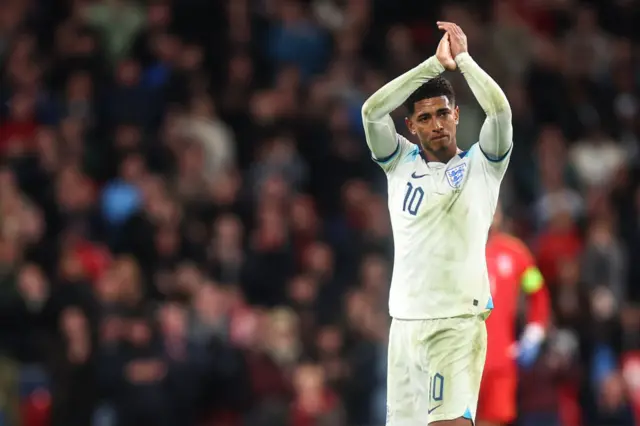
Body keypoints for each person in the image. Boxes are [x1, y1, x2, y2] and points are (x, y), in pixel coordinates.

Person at [361, 22, 512, 426]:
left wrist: (462, 61)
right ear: (410, 126)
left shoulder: (484, 165)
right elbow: (372, 112)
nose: (436, 124)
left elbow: (500, 110)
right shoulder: (398, 164)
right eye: (424, 117)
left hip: (457, 323)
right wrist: (432, 65)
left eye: (444, 113)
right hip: (404, 325)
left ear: (457, 115)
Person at [477, 203, 550, 426]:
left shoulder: (516, 253)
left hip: (500, 360)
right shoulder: (456, 250)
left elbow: (538, 292)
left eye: (494, 208)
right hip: (459, 357)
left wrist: (534, 333)